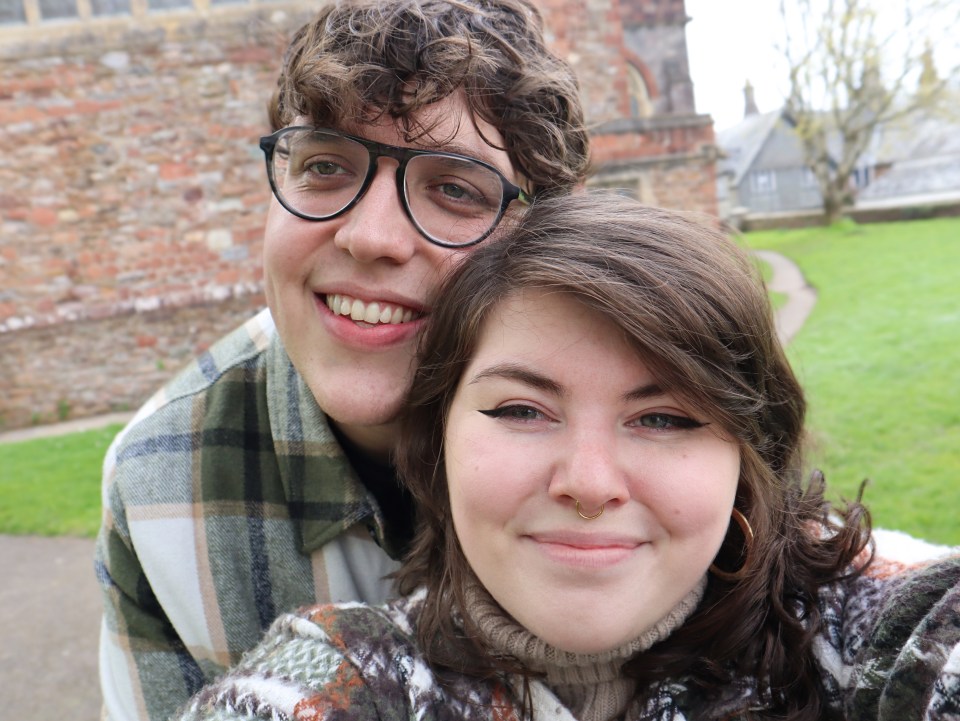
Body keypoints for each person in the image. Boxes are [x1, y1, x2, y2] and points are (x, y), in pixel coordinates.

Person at [176, 192, 960, 721]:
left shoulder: (865, 635)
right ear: (437, 445)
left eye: (662, 417)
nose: (588, 483)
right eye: (521, 410)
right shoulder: (353, 673)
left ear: (747, 457)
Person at [94, 0, 589, 718]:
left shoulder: (640, 441)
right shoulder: (160, 484)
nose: (371, 236)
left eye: (453, 187)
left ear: (547, 237)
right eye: (325, 165)